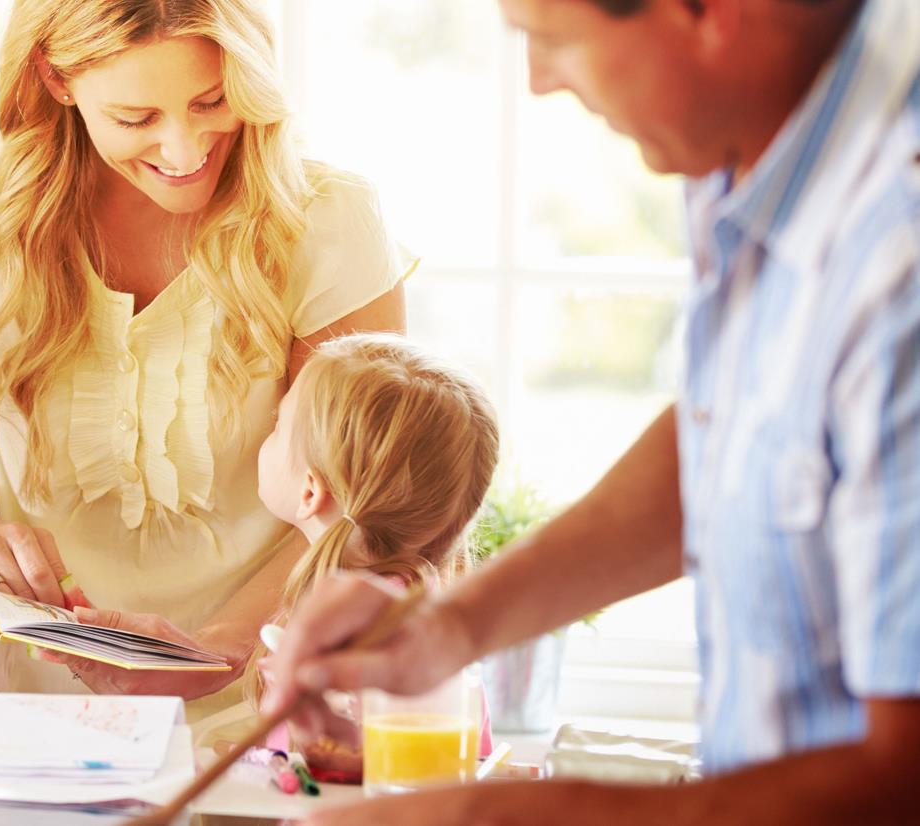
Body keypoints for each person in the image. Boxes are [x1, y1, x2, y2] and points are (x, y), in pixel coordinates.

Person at [263, 0, 920, 823]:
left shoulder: (898, 257)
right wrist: (446, 626)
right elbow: (732, 432)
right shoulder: (746, 145)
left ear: (712, 14)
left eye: (555, 40)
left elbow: (904, 779)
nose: (537, 81)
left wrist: (494, 814)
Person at [0, 0, 409, 728]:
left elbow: (359, 509)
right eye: (136, 118)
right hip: (8, 706)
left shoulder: (324, 223)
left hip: (258, 703)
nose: (183, 147)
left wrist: (216, 653)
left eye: (211, 100)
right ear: (55, 77)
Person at [247, 332, 498, 775]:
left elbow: (321, 775)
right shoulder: (423, 617)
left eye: (276, 426)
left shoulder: (359, 636)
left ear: (310, 490)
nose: (264, 440)